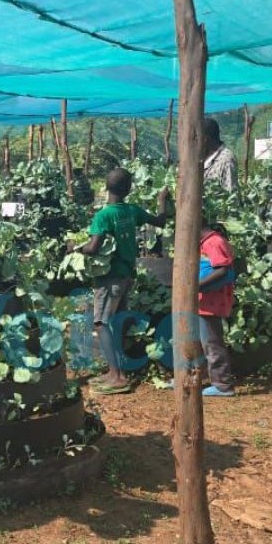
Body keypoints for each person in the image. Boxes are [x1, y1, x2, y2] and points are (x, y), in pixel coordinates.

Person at [77, 167, 168, 394]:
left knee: (101, 323)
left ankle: (117, 376)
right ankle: (114, 370)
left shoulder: (104, 215)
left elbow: (94, 247)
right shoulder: (131, 210)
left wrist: (76, 248)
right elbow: (160, 221)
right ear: (129, 189)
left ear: (106, 188)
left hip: (110, 278)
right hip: (127, 275)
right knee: (116, 321)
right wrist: (162, 201)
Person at [197, 223, 236, 396]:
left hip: (211, 302)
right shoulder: (206, 242)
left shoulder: (214, 242)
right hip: (203, 301)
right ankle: (194, 377)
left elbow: (222, 270)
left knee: (212, 343)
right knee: (200, 342)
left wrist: (196, 285)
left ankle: (223, 385)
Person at [202, 118, 238, 193]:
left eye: (196, 138)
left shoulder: (226, 160)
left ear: (205, 139)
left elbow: (230, 195)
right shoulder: (202, 157)